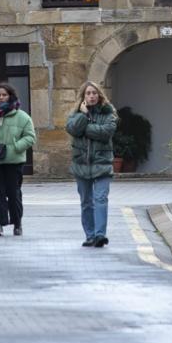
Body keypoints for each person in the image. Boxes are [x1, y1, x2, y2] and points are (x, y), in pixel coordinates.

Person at [0, 83, 36, 237]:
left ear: (11, 96)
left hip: (14, 162)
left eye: (4, 95)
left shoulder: (22, 117)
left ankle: (17, 223)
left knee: (13, 193)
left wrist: (16, 147)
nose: (1, 97)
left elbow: (30, 137)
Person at [65, 81, 118, 248]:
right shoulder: (75, 115)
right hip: (82, 165)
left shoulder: (109, 114)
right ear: (83, 97)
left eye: (94, 93)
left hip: (102, 164)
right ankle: (90, 235)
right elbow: (73, 130)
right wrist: (83, 115)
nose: (91, 96)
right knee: (86, 202)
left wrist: (86, 127)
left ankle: (100, 235)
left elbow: (105, 133)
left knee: (100, 198)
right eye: (88, 93)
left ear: (99, 95)